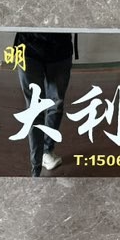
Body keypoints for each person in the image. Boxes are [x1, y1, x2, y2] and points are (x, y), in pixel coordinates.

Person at [14, 32, 73, 177]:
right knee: (34, 109)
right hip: (28, 47)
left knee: (56, 104)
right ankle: (36, 170)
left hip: (60, 49)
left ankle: (47, 151)